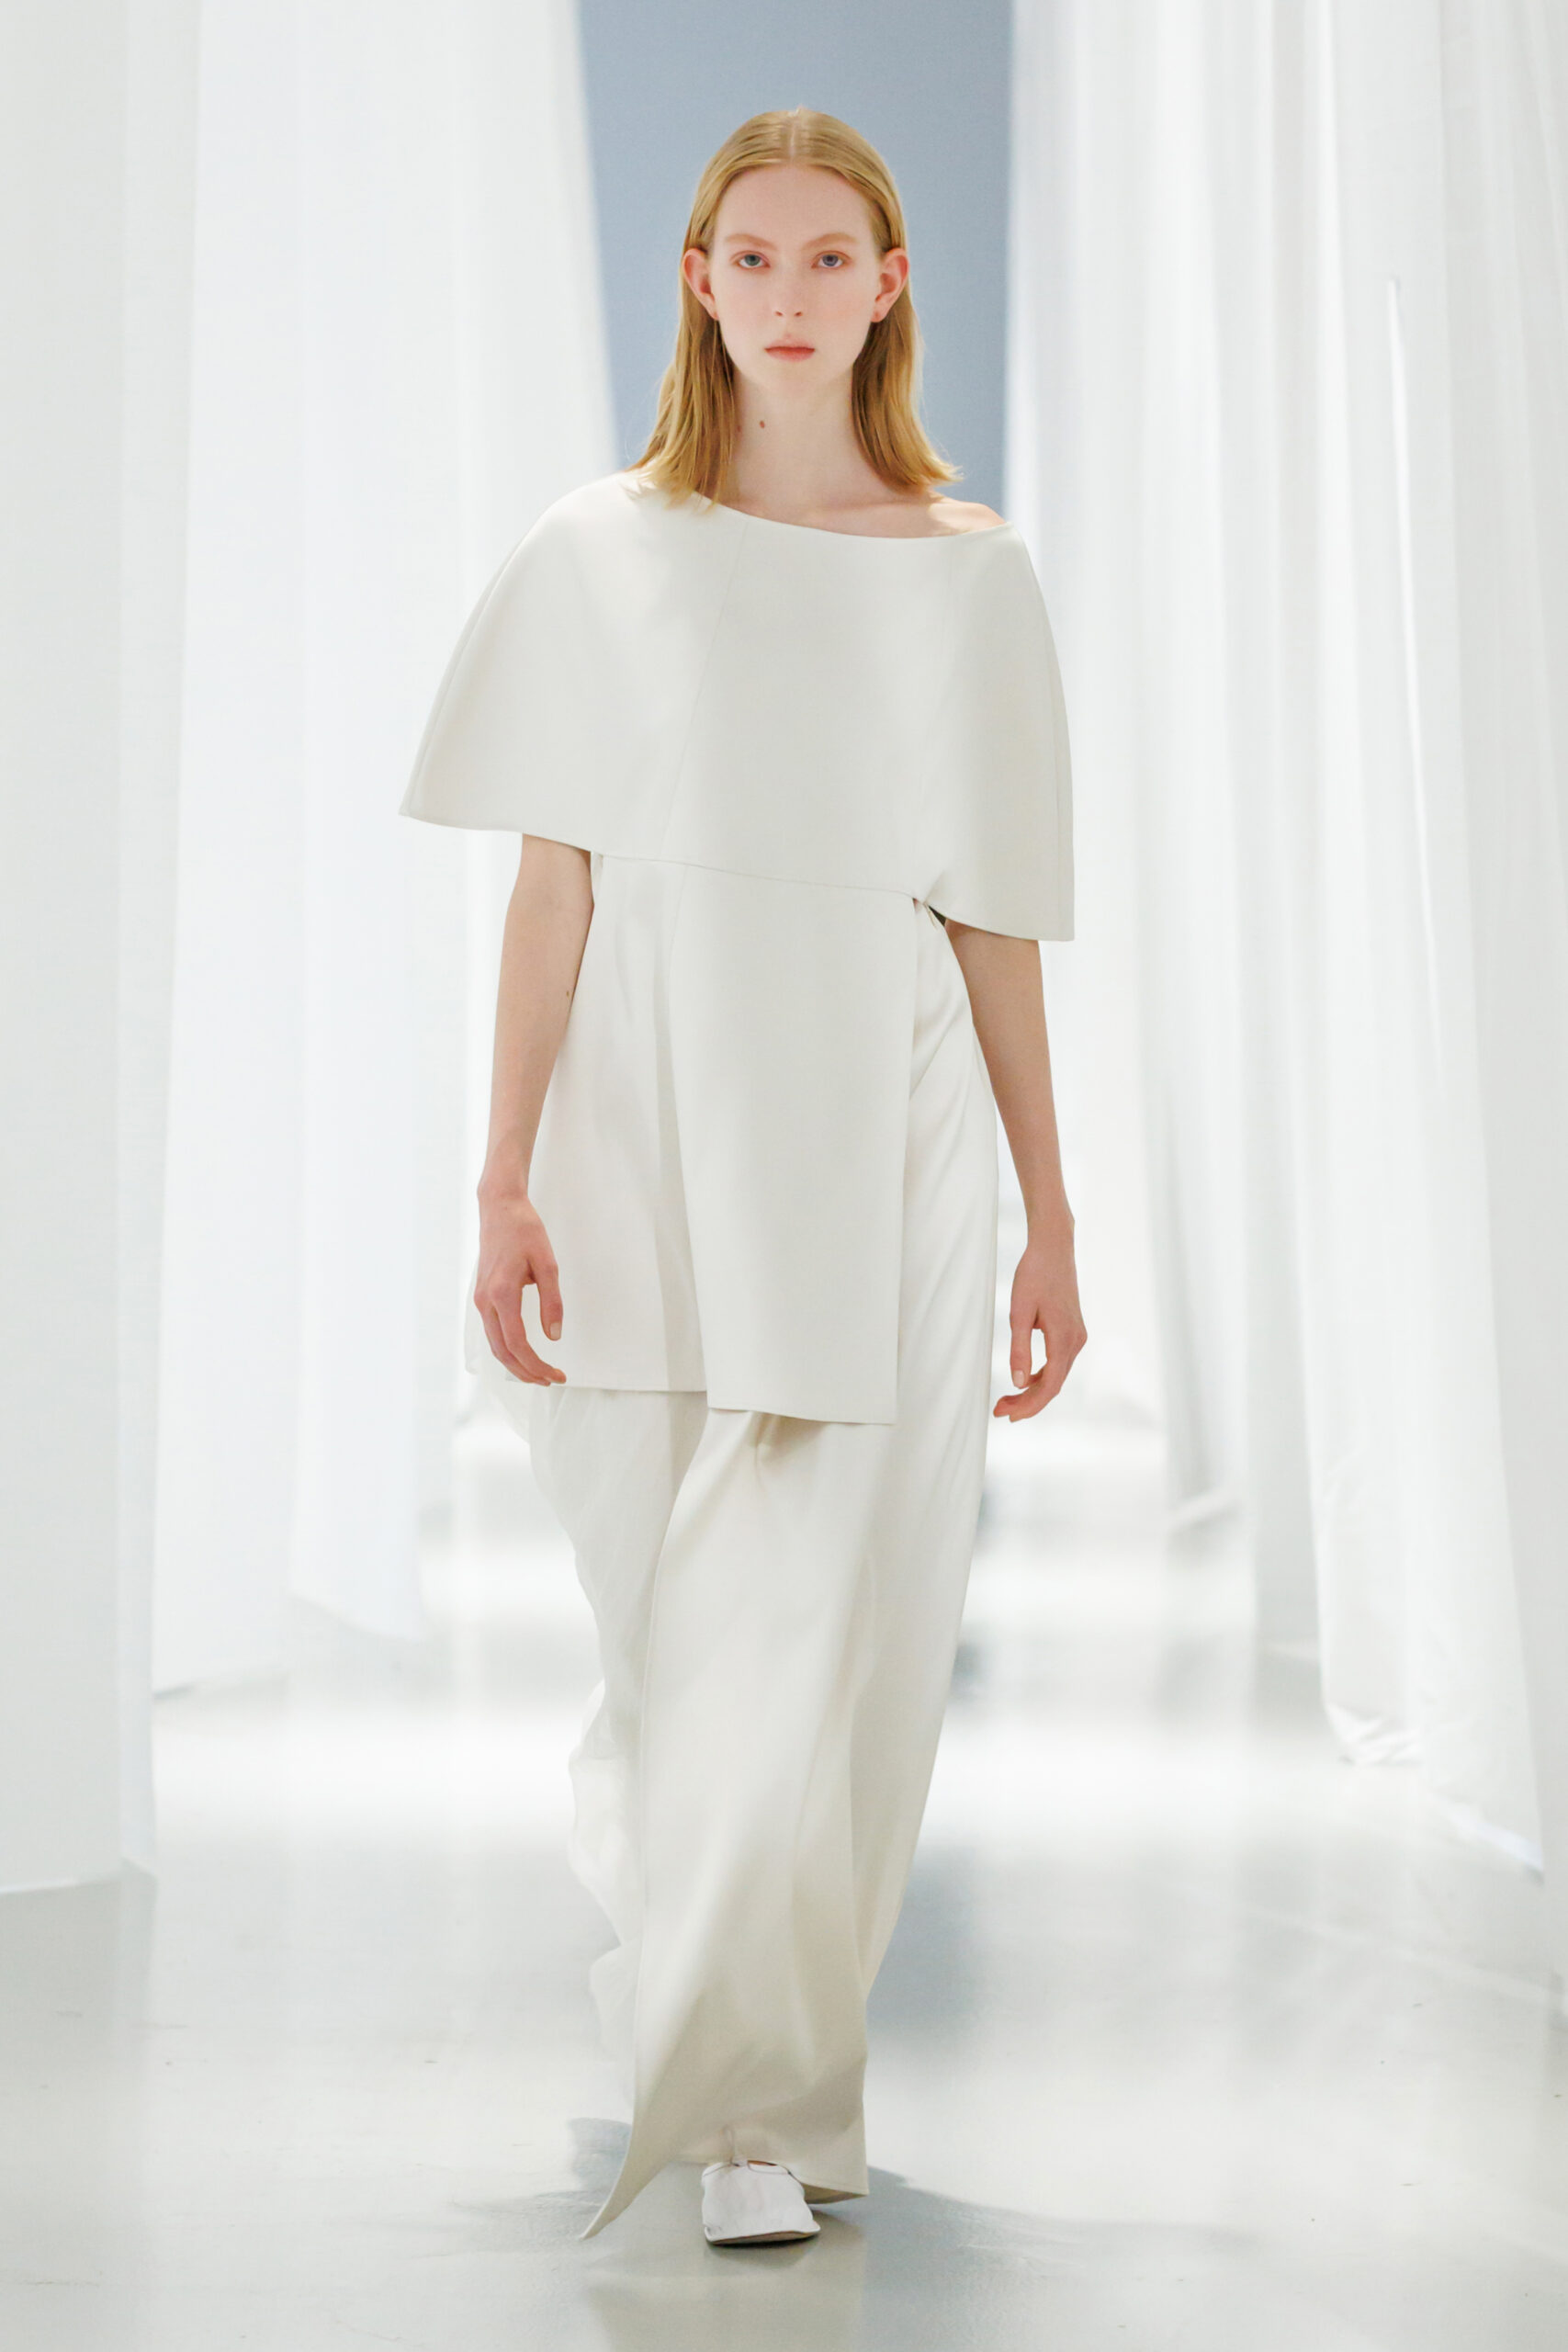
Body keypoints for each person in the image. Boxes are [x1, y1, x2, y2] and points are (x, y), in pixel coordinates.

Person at [400, 106, 1085, 2249]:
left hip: (873, 1119)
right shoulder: (600, 551)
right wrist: (500, 1174)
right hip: (642, 1114)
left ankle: (756, 2103)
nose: (789, 296)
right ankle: (713, 2018)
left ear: (887, 287)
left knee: (823, 1630)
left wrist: (1051, 1215)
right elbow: (552, 882)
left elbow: (994, 912)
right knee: (670, 1636)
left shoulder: (966, 573)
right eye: (752, 258)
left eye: (828, 259)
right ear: (698, 282)